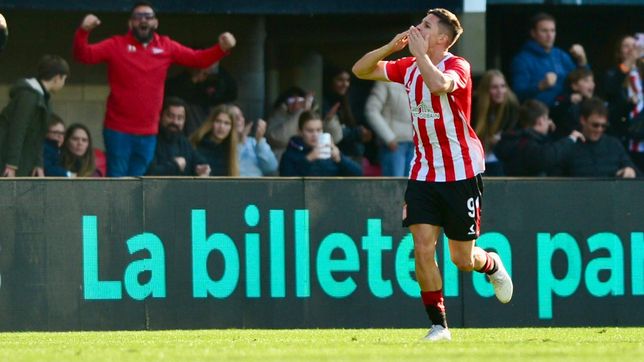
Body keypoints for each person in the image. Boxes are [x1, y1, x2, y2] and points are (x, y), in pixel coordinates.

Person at [352, 8, 512, 341]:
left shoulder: (458, 66)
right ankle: (439, 325)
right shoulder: (407, 66)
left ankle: (492, 264)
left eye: (424, 26)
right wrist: (390, 48)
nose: (416, 28)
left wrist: (420, 56)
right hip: (424, 172)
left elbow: (439, 85)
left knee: (462, 259)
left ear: (440, 38)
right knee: (423, 247)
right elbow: (361, 69)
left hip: (461, 171)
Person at [73, 1, 236, 177]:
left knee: (141, 183)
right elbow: (84, 55)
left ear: (156, 23)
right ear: (130, 23)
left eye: (148, 17)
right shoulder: (116, 45)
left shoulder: (166, 46)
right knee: (118, 183)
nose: (143, 20)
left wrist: (222, 49)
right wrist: (83, 31)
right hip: (118, 130)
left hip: (148, 132)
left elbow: (198, 59)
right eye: (138, 17)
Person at [0, 55, 69, 177]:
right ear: (58, 77)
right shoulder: (28, 96)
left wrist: (38, 164)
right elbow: (18, 129)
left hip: (21, 161)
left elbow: (38, 136)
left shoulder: (44, 99)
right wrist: (11, 164)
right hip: (6, 159)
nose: (63, 83)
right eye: (64, 79)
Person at [511, 12, 588, 107]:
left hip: (564, 109)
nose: (550, 35)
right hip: (538, 115)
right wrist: (541, 85)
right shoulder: (522, 60)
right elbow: (517, 94)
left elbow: (582, 82)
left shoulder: (560, 55)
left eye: (552, 31)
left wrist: (582, 61)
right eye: (544, 31)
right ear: (533, 33)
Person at [495, 99, 584, 176]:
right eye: (547, 118)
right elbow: (546, 157)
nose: (549, 122)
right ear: (541, 121)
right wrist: (571, 139)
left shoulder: (514, 138)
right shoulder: (527, 144)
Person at [558, 97, 639, 178]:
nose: (599, 130)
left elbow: (635, 172)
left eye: (603, 126)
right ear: (583, 120)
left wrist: (630, 170)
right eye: (595, 125)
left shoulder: (614, 145)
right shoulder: (570, 145)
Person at [602, 34, 644, 171]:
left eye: (634, 46)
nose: (631, 49)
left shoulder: (641, 73)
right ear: (619, 52)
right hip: (625, 139)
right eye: (626, 46)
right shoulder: (614, 73)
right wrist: (630, 60)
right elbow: (610, 89)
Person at [267, 86, 342, 160]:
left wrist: (329, 121)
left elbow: (336, 138)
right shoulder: (278, 115)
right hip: (285, 161)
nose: (296, 103)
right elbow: (278, 139)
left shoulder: (313, 114)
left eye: (300, 100)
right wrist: (302, 113)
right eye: (291, 100)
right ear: (285, 102)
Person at [279, 111, 362, 177]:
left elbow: (359, 174)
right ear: (300, 132)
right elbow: (287, 183)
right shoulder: (290, 155)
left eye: (318, 130)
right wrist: (308, 160)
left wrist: (340, 159)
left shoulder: (329, 152)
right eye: (310, 130)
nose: (315, 135)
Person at [165, 62, 238, 137]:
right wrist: (194, 78)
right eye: (204, 74)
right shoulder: (178, 84)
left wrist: (217, 67)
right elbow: (179, 93)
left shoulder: (209, 83)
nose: (205, 77)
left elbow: (231, 93)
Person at [146, 97, 211, 176]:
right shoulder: (150, 141)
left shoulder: (184, 143)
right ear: (161, 116)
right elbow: (149, 173)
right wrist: (174, 166)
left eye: (180, 118)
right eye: (170, 116)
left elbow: (198, 161)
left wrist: (202, 168)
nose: (175, 122)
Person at [472, 69, 520, 176]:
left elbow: (513, 133)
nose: (500, 91)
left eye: (503, 86)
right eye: (494, 87)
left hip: (498, 154)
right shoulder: (475, 105)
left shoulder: (510, 105)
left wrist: (501, 138)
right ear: (486, 90)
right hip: (477, 154)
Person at [323, 66, 373, 168]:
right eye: (340, 80)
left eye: (347, 80)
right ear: (331, 81)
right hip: (334, 155)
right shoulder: (325, 101)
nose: (345, 84)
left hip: (353, 154)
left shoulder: (348, 100)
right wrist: (357, 132)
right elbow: (332, 133)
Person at [364, 81, 413, 177]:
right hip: (394, 145)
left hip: (414, 145)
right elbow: (371, 110)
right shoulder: (385, 82)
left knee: (412, 188)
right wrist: (389, 138)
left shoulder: (416, 80)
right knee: (394, 188)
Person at [190, 104, 239, 176]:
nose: (221, 127)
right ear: (211, 123)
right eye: (218, 121)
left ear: (231, 128)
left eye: (227, 123)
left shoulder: (230, 149)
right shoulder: (196, 144)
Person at [231, 104, 278, 177]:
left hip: (257, 186)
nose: (239, 118)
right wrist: (240, 143)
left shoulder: (253, 142)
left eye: (241, 115)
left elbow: (271, 167)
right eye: (233, 116)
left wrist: (259, 141)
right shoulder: (222, 143)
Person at [551, 68, 596, 139]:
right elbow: (555, 113)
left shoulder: (593, 103)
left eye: (592, 81)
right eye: (586, 81)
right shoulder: (564, 99)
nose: (592, 84)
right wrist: (568, 101)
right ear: (574, 85)